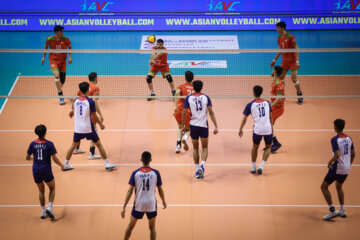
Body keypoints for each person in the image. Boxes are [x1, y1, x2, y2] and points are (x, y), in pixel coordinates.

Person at [63, 82, 116, 171]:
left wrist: (71, 111)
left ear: (80, 90)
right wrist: (101, 124)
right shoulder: (90, 102)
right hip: (88, 129)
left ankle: (65, 164)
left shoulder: (76, 100)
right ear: (88, 90)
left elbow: (72, 108)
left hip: (78, 129)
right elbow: (94, 116)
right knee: (98, 144)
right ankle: (107, 163)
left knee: (73, 146)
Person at [121, 151, 167, 240]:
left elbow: (129, 191)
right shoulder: (156, 173)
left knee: (131, 226)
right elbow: (160, 189)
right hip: (151, 203)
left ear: (141, 160)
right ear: (151, 160)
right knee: (152, 228)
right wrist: (164, 201)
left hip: (139, 203)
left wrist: (124, 207)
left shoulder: (135, 173)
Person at [26, 124, 64, 220]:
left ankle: (43, 212)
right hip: (46, 170)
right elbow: (54, 159)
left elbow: (27, 158)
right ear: (45, 132)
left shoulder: (32, 144)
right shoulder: (49, 144)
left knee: (41, 191)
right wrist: (62, 165)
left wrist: (33, 159)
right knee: (52, 188)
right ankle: (49, 208)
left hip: (36, 170)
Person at [182, 80, 219, 179]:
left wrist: (182, 126)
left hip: (193, 125)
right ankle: (202, 166)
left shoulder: (189, 98)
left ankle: (197, 169)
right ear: (201, 87)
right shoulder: (206, 97)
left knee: (195, 148)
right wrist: (216, 126)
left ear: (193, 87)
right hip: (203, 126)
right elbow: (211, 112)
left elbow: (184, 112)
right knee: (205, 148)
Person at [321, 119, 355, 220]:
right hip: (346, 168)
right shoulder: (349, 138)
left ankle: (332, 211)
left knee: (323, 187)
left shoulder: (334, 139)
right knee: (339, 187)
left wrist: (330, 162)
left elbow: (337, 155)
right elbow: (353, 154)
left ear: (335, 127)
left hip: (338, 168)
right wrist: (348, 165)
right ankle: (342, 210)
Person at [239, 85, 273, 174]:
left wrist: (240, 129)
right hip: (267, 129)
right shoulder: (267, 103)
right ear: (261, 93)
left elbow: (244, 118)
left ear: (253, 92)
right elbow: (271, 118)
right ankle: (261, 166)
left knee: (255, 147)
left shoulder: (250, 105)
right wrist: (271, 129)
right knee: (268, 147)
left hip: (257, 130)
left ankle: (253, 167)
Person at [270, 21, 303, 105]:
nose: (276, 29)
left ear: (282, 28)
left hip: (292, 61)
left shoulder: (290, 37)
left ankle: (300, 96)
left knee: (294, 79)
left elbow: (296, 48)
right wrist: (274, 60)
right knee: (281, 78)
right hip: (284, 61)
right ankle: (283, 96)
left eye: (277, 28)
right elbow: (280, 49)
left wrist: (297, 61)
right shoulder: (279, 37)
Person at [73, 72, 104, 159]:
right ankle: (92, 153)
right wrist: (100, 114)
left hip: (80, 111)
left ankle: (76, 148)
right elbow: (95, 102)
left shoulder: (83, 87)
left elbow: (78, 98)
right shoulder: (96, 88)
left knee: (79, 129)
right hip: (90, 112)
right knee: (94, 131)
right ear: (95, 78)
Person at [41, 25, 73, 105]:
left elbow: (70, 47)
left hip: (63, 61)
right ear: (57, 32)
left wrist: (70, 57)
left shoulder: (65, 39)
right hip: (53, 60)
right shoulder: (49, 39)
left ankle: (59, 88)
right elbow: (45, 47)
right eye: (61, 31)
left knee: (62, 81)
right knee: (56, 75)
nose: (63, 32)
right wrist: (43, 57)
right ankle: (61, 96)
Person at [173, 71, 194, 153]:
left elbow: (176, 93)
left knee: (180, 127)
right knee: (189, 129)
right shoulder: (194, 88)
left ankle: (178, 146)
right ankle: (185, 137)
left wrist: (175, 106)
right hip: (188, 111)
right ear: (192, 79)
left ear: (185, 78)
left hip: (179, 110)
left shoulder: (181, 86)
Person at [269, 66, 285, 152]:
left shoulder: (278, 83)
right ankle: (270, 144)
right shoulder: (275, 82)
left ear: (275, 71)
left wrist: (270, 106)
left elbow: (279, 98)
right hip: (275, 107)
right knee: (269, 126)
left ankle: (276, 143)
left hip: (277, 108)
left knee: (268, 125)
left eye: (273, 70)